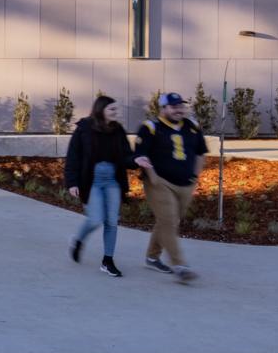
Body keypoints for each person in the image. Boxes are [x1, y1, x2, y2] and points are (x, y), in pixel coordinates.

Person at [133, 92, 207, 282]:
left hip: (186, 183)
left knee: (170, 221)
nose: (179, 109)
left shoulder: (192, 126)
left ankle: (152, 257)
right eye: (174, 106)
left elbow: (200, 153)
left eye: (181, 106)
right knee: (168, 220)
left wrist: (195, 176)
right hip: (160, 182)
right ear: (163, 108)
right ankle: (180, 265)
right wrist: (153, 177)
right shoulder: (151, 127)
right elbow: (141, 155)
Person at [65, 94, 132, 277]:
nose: (115, 112)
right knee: (95, 219)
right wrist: (72, 182)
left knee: (112, 221)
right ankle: (78, 240)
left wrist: (138, 160)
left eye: (116, 109)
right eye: (112, 109)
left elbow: (126, 156)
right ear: (101, 109)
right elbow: (73, 156)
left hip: (112, 181)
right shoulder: (84, 128)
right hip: (91, 181)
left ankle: (107, 261)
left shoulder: (118, 130)